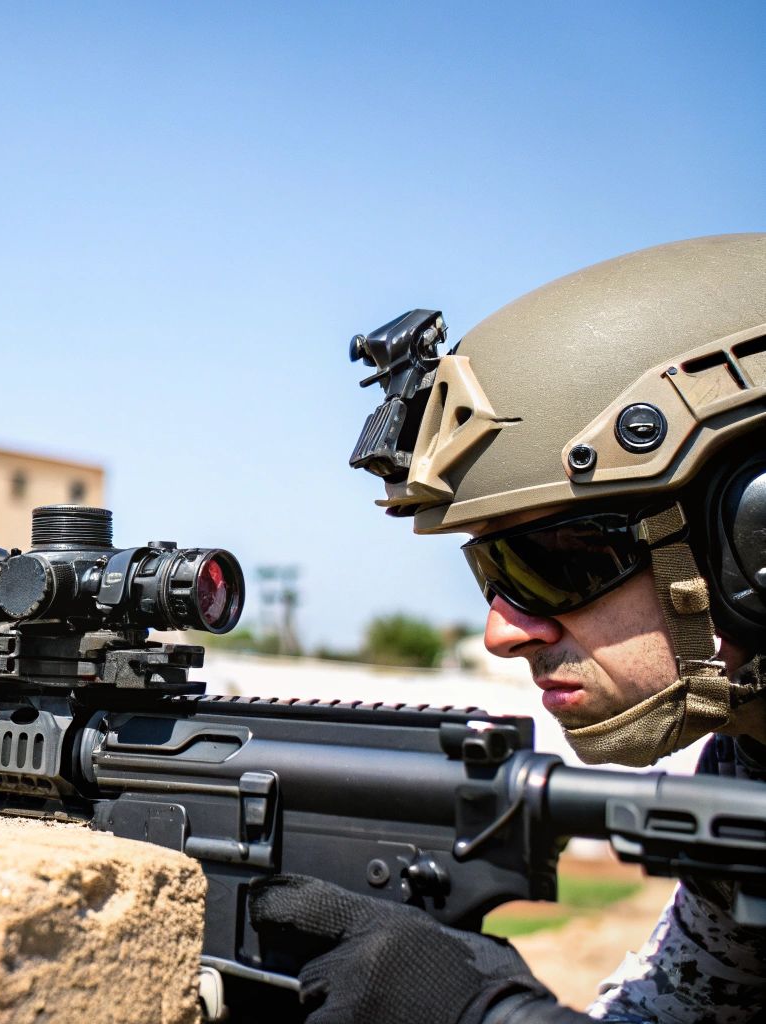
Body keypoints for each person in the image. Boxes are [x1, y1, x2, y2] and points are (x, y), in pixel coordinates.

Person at [247, 233, 766, 1023]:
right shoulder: (747, 761)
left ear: (751, 532)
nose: (502, 633)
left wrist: (486, 1016)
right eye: (492, 573)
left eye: (551, 561)